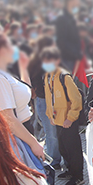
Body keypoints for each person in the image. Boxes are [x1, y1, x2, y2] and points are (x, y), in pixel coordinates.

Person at [0, 31, 46, 162]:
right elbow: (8, 118)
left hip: (22, 133)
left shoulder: (2, 73)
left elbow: (25, 89)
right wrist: (33, 143)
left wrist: (23, 66)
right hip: (17, 137)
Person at [41, 47, 85, 185]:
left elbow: (77, 100)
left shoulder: (64, 76)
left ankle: (78, 176)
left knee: (73, 148)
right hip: (57, 120)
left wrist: (71, 118)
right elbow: (49, 99)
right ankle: (70, 170)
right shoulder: (48, 77)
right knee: (63, 148)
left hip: (68, 120)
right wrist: (50, 115)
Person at [29, 36, 62, 171]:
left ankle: (57, 157)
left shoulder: (50, 60)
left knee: (54, 130)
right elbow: (33, 82)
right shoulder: (37, 63)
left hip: (55, 98)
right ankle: (54, 159)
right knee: (50, 130)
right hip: (44, 99)